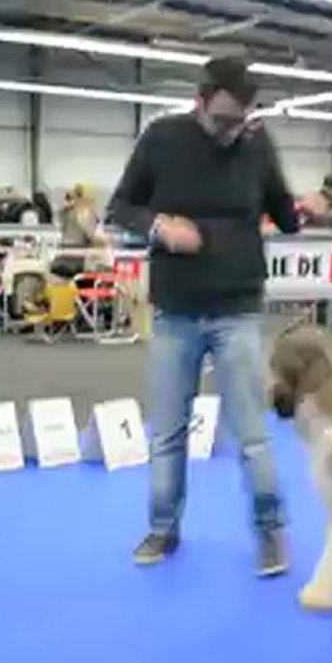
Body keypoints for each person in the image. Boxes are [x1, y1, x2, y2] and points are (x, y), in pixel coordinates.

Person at [110, 57, 300, 576]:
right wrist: (158, 228)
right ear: (199, 101)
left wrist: (296, 197)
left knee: (253, 434)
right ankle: (163, 528)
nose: (230, 131)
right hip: (175, 310)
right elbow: (120, 207)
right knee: (168, 431)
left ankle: (271, 533)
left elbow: (287, 220)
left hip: (238, 306)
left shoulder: (256, 143)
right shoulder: (161, 138)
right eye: (221, 120)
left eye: (240, 121)